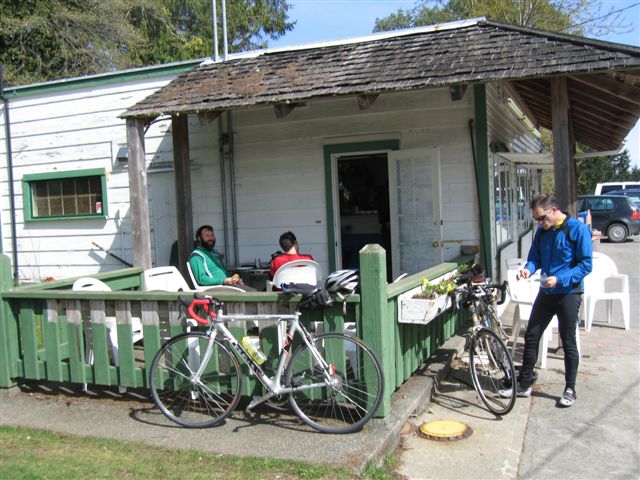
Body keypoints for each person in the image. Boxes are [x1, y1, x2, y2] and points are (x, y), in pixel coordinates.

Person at [501, 194, 592, 407]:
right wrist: (528, 269)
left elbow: (586, 265)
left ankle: (570, 389)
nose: (540, 223)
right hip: (546, 292)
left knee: (568, 340)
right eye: (536, 220)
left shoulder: (577, 229)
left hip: (568, 292)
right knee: (531, 335)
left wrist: (559, 279)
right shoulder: (542, 231)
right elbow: (535, 258)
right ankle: (524, 385)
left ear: (553, 210)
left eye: (542, 218)